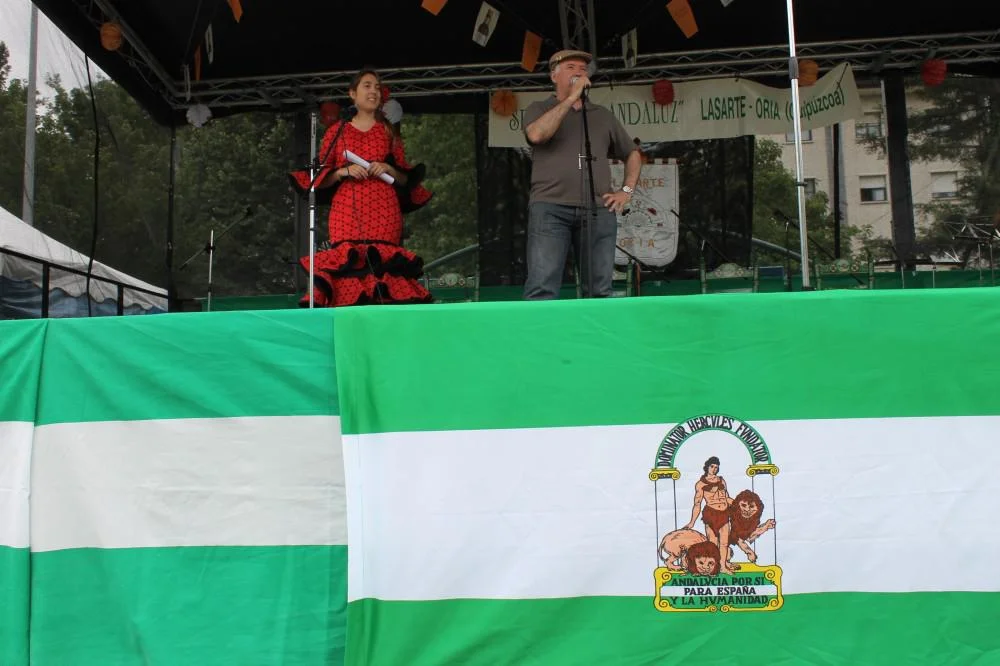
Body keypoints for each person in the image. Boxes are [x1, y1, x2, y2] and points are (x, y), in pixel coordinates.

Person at [289, 69, 433, 307]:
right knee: (348, 264)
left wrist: (388, 168)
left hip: (383, 209)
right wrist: (342, 172)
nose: (373, 91)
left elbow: (406, 180)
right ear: (352, 94)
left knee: (383, 268)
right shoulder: (337, 131)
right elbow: (320, 179)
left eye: (377, 87)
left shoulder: (389, 131)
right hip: (347, 210)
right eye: (367, 86)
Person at [522, 49, 642, 300]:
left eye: (583, 69)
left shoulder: (602, 115)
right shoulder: (539, 108)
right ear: (553, 76)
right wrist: (570, 99)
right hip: (550, 208)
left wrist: (626, 190)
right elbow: (536, 135)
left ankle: (596, 328)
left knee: (599, 290)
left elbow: (632, 153)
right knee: (542, 288)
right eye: (571, 67)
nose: (579, 72)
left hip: (598, 209)